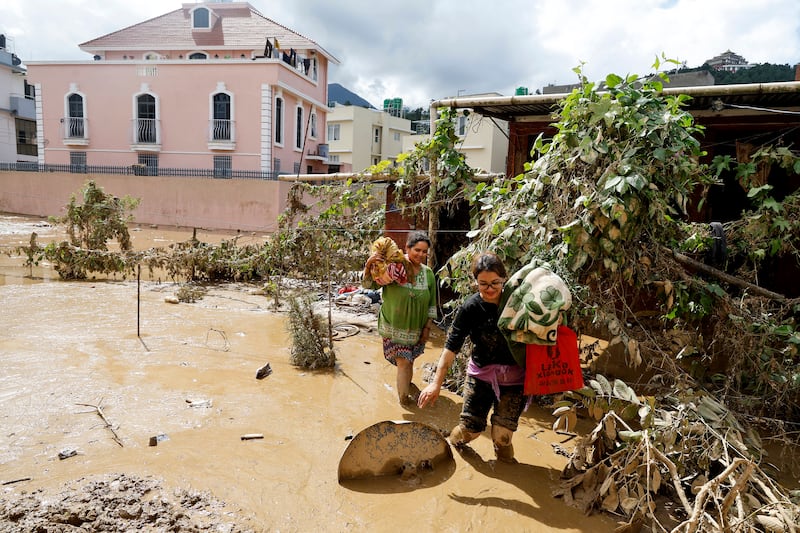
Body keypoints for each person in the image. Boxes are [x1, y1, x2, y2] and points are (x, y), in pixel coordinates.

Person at [417, 252, 525, 463]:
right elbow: (451, 348)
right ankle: (447, 449)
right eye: (483, 284)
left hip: (515, 379)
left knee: (502, 437)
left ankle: (507, 472)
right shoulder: (471, 308)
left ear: (505, 278)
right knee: (470, 431)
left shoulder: (518, 304)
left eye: (496, 282)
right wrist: (436, 384)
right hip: (481, 376)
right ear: (475, 282)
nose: (490, 288)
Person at [365, 231, 437, 406]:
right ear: (407, 248)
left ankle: (406, 389)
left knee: (409, 362)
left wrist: (427, 328)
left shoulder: (428, 274)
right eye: (417, 250)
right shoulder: (393, 267)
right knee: (404, 363)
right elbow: (369, 284)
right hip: (393, 327)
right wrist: (369, 265)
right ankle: (404, 402)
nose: (421, 255)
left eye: (424, 251)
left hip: (416, 330)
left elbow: (432, 304)